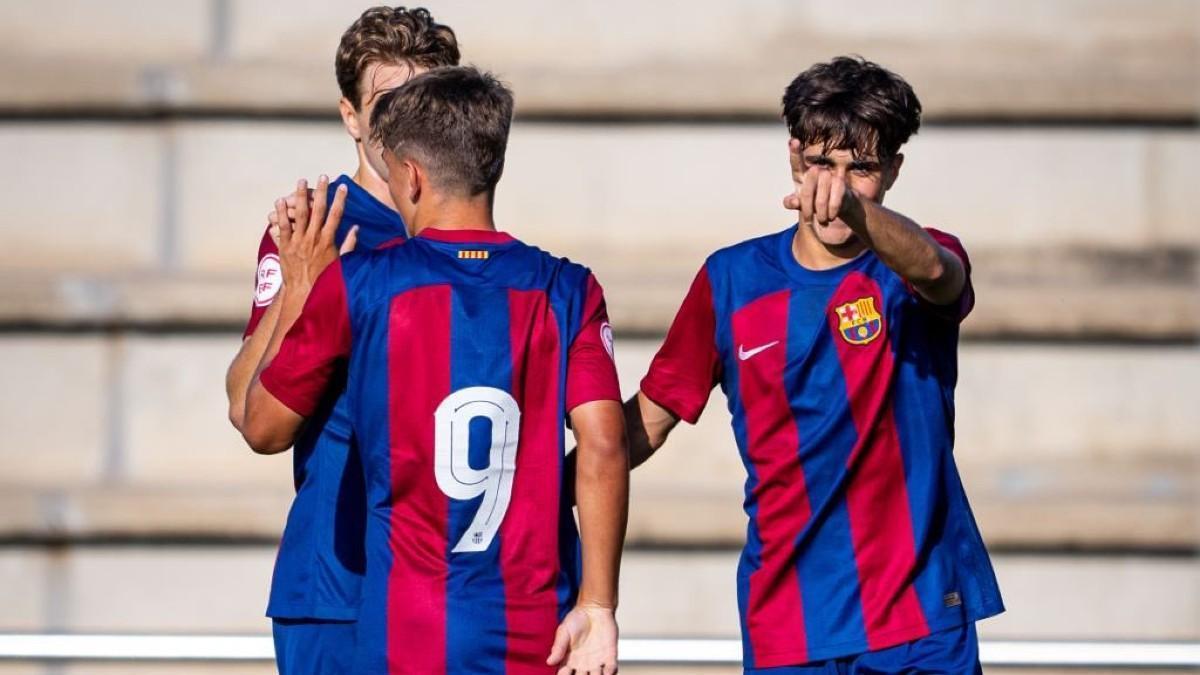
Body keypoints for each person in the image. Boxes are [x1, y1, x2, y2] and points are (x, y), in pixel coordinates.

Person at [241, 66, 629, 675]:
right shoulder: (567, 287)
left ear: (412, 176)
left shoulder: (363, 283)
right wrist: (599, 605)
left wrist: (298, 290)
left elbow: (262, 427)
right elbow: (605, 446)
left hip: (406, 631)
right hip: (538, 631)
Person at [622, 56, 1004, 673]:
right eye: (823, 164)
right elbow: (648, 422)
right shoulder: (732, 279)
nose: (836, 186)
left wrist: (857, 213)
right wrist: (546, 482)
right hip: (788, 622)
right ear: (795, 157)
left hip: (921, 616)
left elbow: (939, 273)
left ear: (893, 173)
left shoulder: (911, 265)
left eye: (862, 170)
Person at [224, 7, 459, 673]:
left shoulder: (459, 233)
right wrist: (302, 286)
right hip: (339, 586)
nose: (407, 121)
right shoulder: (319, 226)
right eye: (387, 103)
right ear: (350, 116)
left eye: (425, 99)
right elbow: (245, 403)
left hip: (448, 582)